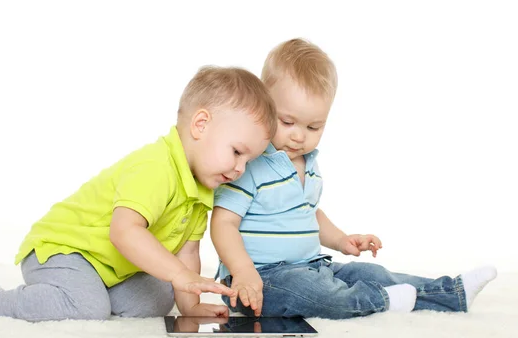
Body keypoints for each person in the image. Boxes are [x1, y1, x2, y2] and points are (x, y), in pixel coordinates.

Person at [0, 66, 277, 322]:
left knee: (156, 301)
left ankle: (88, 295)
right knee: (88, 308)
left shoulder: (202, 190)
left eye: (249, 160)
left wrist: (190, 305)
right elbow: (124, 232)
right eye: (236, 152)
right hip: (62, 250)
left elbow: (188, 253)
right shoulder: (155, 166)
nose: (240, 169)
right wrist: (178, 275)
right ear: (200, 125)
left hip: (108, 269)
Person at [210, 39, 497, 319]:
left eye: (313, 126)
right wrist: (244, 271)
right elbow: (224, 222)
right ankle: (383, 301)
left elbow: (310, 214)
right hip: (260, 281)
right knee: (316, 292)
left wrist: (341, 240)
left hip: (314, 266)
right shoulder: (248, 163)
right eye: (287, 122)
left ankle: (450, 293)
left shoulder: (309, 165)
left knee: (372, 274)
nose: (299, 136)